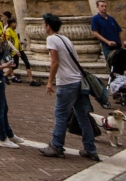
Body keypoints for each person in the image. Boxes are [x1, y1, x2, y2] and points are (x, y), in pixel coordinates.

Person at [39, 13, 100, 162]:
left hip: (66, 83)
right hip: (77, 81)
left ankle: (56, 146)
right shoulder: (66, 39)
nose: (43, 27)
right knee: (82, 115)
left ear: (48, 26)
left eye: (44, 24)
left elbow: (55, 62)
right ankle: (90, 149)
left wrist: (49, 82)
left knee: (61, 115)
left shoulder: (51, 39)